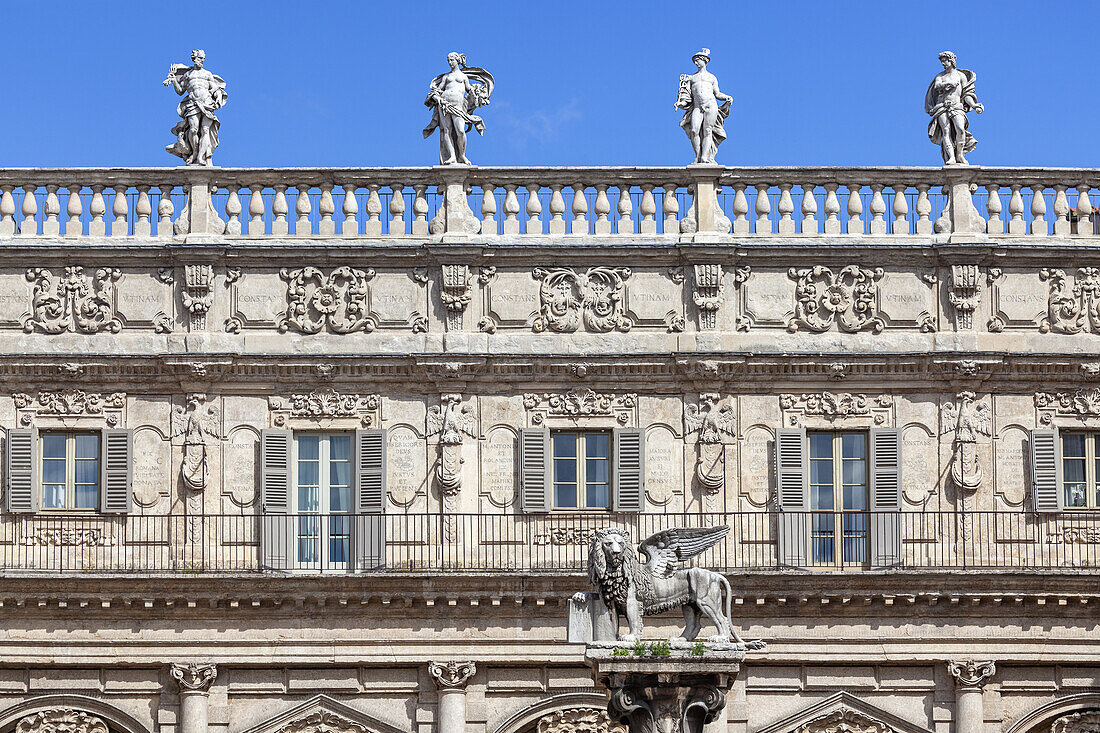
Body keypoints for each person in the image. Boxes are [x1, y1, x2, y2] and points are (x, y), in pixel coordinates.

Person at [423, 53, 494, 165]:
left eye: (452, 60)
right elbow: (437, 91)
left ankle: (461, 156)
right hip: (445, 104)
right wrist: (438, 98)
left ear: (457, 60)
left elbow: (470, 89)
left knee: (460, 131)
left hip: (458, 104)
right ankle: (451, 156)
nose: (450, 63)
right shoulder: (446, 77)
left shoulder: (463, 76)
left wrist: (478, 93)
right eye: (448, 61)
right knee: (447, 131)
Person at [164, 50, 228, 166]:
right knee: (193, 130)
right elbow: (180, 91)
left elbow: (214, 88)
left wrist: (218, 96)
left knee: (205, 130)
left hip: (207, 103)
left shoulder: (207, 74)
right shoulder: (188, 75)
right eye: (200, 58)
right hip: (192, 103)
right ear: (194, 59)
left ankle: (200, 157)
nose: (202, 61)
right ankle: (194, 153)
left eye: (203, 58)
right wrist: (173, 80)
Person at [925, 51, 983, 166]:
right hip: (942, 106)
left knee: (960, 129)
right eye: (942, 61)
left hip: (957, 106)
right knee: (946, 131)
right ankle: (951, 157)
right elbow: (937, 86)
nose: (943, 63)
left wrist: (974, 105)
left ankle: (960, 155)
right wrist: (949, 84)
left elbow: (966, 94)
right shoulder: (940, 76)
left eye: (945, 61)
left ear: (951, 60)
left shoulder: (960, 76)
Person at [676, 49, 732, 164]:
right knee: (694, 131)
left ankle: (705, 157)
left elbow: (717, 94)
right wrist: (680, 103)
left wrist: (727, 97)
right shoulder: (691, 78)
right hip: (697, 106)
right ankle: (698, 156)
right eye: (695, 61)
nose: (696, 63)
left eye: (698, 61)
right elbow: (686, 97)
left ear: (704, 61)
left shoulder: (712, 77)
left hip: (711, 105)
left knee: (708, 130)